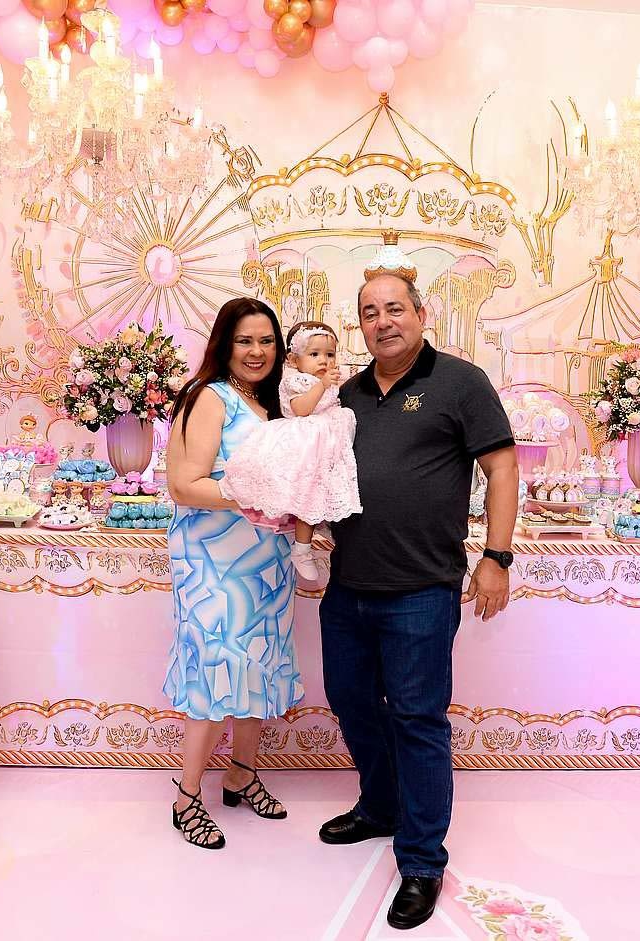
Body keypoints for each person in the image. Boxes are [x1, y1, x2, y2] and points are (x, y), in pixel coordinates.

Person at [318, 265, 518, 930]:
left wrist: (496, 557)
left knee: (417, 718)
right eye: (369, 312)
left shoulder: (461, 382)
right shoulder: (346, 394)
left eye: (394, 308)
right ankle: (381, 806)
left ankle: (423, 860)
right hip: (348, 586)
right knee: (351, 701)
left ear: (421, 314)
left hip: (422, 590)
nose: (383, 322)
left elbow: (501, 466)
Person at [163, 297, 304, 850]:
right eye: (245, 340)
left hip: (267, 563)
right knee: (214, 669)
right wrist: (260, 494)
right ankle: (187, 797)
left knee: (260, 665)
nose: (257, 351)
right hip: (214, 565)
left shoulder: (273, 405)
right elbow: (185, 484)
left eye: (267, 341)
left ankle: (241, 774)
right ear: (225, 344)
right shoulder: (210, 396)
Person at [219, 320, 363, 579]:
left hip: (324, 446)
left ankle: (324, 524)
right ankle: (302, 549)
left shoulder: (324, 382)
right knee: (307, 495)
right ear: (294, 359)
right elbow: (301, 409)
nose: (324, 361)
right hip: (305, 446)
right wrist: (322, 385)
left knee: (328, 489)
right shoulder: (296, 381)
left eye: (330, 354)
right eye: (314, 354)